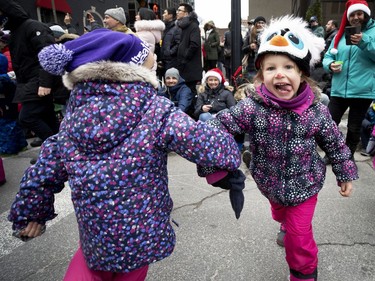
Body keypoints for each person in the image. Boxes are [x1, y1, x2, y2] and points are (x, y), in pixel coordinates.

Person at [8, 29, 242, 281]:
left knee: (88, 270)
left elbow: (46, 167)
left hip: (96, 233)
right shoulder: (155, 109)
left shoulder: (72, 117)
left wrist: (31, 212)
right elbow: (205, 143)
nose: (153, 57)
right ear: (132, 67)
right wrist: (229, 150)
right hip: (142, 232)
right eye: (148, 56)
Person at [199, 16, 358, 281]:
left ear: (302, 74)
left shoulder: (315, 110)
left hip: (305, 184)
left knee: (299, 235)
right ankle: (284, 222)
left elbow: (334, 141)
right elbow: (219, 126)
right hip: (270, 182)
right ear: (261, 76)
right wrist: (212, 166)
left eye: (288, 67)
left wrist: (345, 171)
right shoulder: (253, 107)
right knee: (279, 214)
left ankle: (303, 273)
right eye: (270, 68)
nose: (280, 73)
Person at [0, 0, 59, 148]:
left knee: (27, 117)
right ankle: (56, 151)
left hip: (38, 82)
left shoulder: (33, 27)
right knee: (48, 118)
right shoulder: (16, 32)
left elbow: (49, 54)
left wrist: (45, 82)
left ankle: (55, 149)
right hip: (29, 82)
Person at [322, 0, 375, 163]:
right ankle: (331, 153)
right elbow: (328, 55)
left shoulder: (372, 33)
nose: (356, 17)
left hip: (363, 90)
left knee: (354, 127)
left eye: (359, 13)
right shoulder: (340, 34)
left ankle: (347, 156)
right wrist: (330, 65)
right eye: (352, 14)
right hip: (339, 88)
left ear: (366, 14)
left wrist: (363, 41)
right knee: (329, 123)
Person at [176, 3, 203, 98]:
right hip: (184, 67)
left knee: (190, 93)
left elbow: (194, 44)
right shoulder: (183, 26)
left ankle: (192, 112)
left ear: (186, 13)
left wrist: (185, 58)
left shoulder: (193, 26)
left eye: (180, 10)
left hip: (190, 68)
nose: (177, 12)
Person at [134, 7, 165, 75]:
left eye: (138, 15)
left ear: (144, 16)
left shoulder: (145, 34)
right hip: (146, 68)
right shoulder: (145, 32)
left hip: (143, 70)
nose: (136, 16)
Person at [159, 8, 180, 78]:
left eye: (165, 13)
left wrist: (170, 53)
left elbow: (178, 43)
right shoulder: (165, 28)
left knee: (171, 81)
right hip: (164, 61)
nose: (163, 15)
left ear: (170, 15)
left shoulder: (176, 28)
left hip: (171, 61)